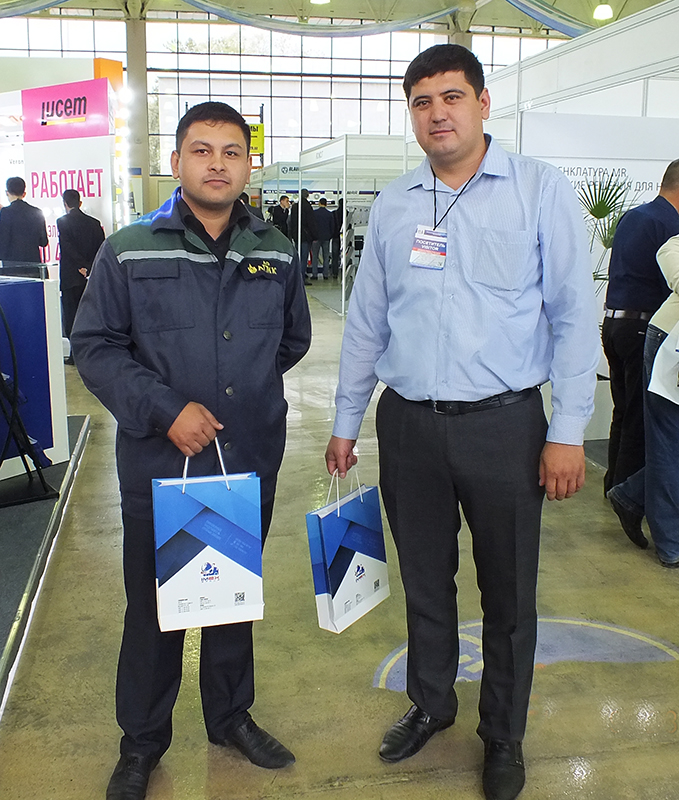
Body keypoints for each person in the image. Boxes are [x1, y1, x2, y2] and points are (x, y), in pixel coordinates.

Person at [324, 45, 599, 800]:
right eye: (421, 102)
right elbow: (367, 321)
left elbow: (573, 317)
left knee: (507, 592)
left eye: (451, 97)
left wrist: (567, 430)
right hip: (409, 425)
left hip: (504, 427)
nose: (437, 113)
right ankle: (431, 703)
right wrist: (346, 419)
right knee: (424, 579)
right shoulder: (395, 205)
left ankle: (502, 734)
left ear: (482, 103)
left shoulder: (538, 190)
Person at [71, 102, 311, 800]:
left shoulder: (276, 249)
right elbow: (95, 347)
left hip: (245, 458)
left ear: (248, 166)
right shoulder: (129, 248)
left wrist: (241, 394)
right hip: (162, 467)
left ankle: (230, 718)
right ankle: (142, 743)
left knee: (230, 597)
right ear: (175, 162)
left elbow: (291, 340)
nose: (216, 163)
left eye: (231, 152)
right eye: (201, 150)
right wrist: (165, 408)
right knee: (154, 609)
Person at [601, 161, 679, 495]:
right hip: (642, 328)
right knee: (639, 419)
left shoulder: (634, 216)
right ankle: (627, 497)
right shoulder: (670, 225)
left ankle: (614, 485)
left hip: (614, 324)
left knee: (623, 411)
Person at [608, 235, 679, 566]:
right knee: (667, 441)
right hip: (671, 344)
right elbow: (669, 251)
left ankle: (631, 495)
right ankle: (671, 545)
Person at [57, 189, 105, 359]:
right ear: (80, 203)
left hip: (71, 277)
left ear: (65, 203)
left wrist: (80, 266)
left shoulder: (62, 222)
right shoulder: (94, 223)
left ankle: (74, 354)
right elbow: (101, 249)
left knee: (71, 316)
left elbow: (67, 248)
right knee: (90, 316)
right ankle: (91, 353)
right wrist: (89, 267)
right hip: (91, 277)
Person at [0, 176, 48, 264]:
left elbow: (3, 241)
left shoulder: (5, 212)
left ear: (7, 193)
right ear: (24, 193)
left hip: (12, 265)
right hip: (34, 264)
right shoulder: (37, 212)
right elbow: (43, 242)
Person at [288, 188, 318, 285]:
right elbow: (311, 223)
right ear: (307, 195)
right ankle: (301, 279)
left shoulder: (295, 207)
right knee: (304, 258)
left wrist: (292, 234)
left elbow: (291, 222)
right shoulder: (307, 207)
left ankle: (296, 278)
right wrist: (314, 236)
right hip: (306, 236)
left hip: (297, 235)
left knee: (298, 257)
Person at [311, 197, 334, 280]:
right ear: (326, 204)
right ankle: (325, 274)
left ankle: (314, 274)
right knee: (326, 256)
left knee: (315, 256)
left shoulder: (314, 213)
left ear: (319, 203)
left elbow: (312, 226)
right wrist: (329, 236)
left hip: (316, 238)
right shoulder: (329, 214)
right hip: (326, 238)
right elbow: (332, 227)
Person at [330, 197, 343, 279]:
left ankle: (335, 272)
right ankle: (345, 271)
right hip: (344, 237)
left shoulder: (334, 213)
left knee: (335, 256)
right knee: (344, 255)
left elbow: (332, 225)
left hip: (335, 236)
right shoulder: (347, 213)